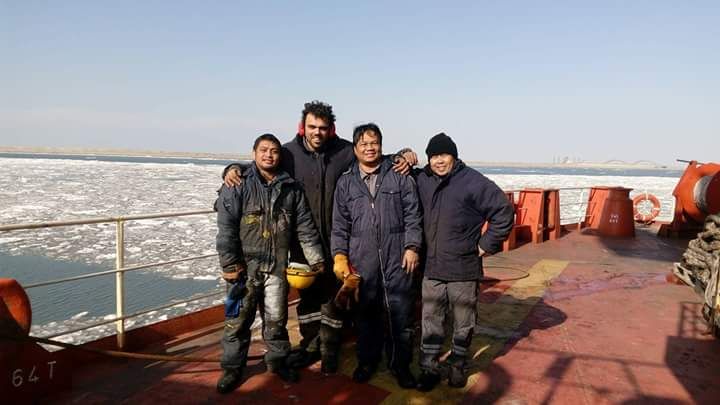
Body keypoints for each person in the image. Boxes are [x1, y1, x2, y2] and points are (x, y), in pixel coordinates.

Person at [222, 101, 418, 374]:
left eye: (323, 128)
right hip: (301, 244)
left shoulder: (344, 151)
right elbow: (260, 163)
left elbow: (374, 156)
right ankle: (310, 345)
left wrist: (403, 155)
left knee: (335, 298)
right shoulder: (288, 153)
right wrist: (232, 169)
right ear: (303, 127)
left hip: (339, 243)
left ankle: (330, 349)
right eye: (312, 126)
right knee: (309, 300)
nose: (317, 132)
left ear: (331, 129)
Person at [215, 133, 325, 394]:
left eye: (274, 151)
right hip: (244, 270)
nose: (269, 155)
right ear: (254, 154)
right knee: (237, 322)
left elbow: (305, 227)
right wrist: (230, 265)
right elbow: (226, 228)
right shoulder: (237, 184)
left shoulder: (291, 189)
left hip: (276, 268)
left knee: (276, 320)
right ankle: (232, 369)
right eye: (263, 150)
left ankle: (277, 361)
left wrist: (317, 259)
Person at [414, 133, 514, 391]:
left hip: (463, 268)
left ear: (454, 157)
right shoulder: (423, 179)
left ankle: (458, 365)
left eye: (443, 155)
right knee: (430, 320)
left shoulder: (472, 181)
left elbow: (504, 211)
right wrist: (404, 154)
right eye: (433, 156)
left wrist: (485, 245)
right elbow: (396, 166)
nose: (438, 161)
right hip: (432, 268)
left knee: (463, 321)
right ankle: (429, 368)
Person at [330, 123, 422, 388]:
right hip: (362, 258)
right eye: (363, 144)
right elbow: (340, 225)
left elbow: (413, 214)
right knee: (365, 315)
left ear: (381, 146)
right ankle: (367, 361)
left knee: (400, 315)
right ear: (355, 148)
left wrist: (412, 246)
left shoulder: (399, 174)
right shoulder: (346, 182)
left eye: (374, 143)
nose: (369, 148)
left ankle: (400, 365)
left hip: (398, 257)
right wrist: (340, 256)